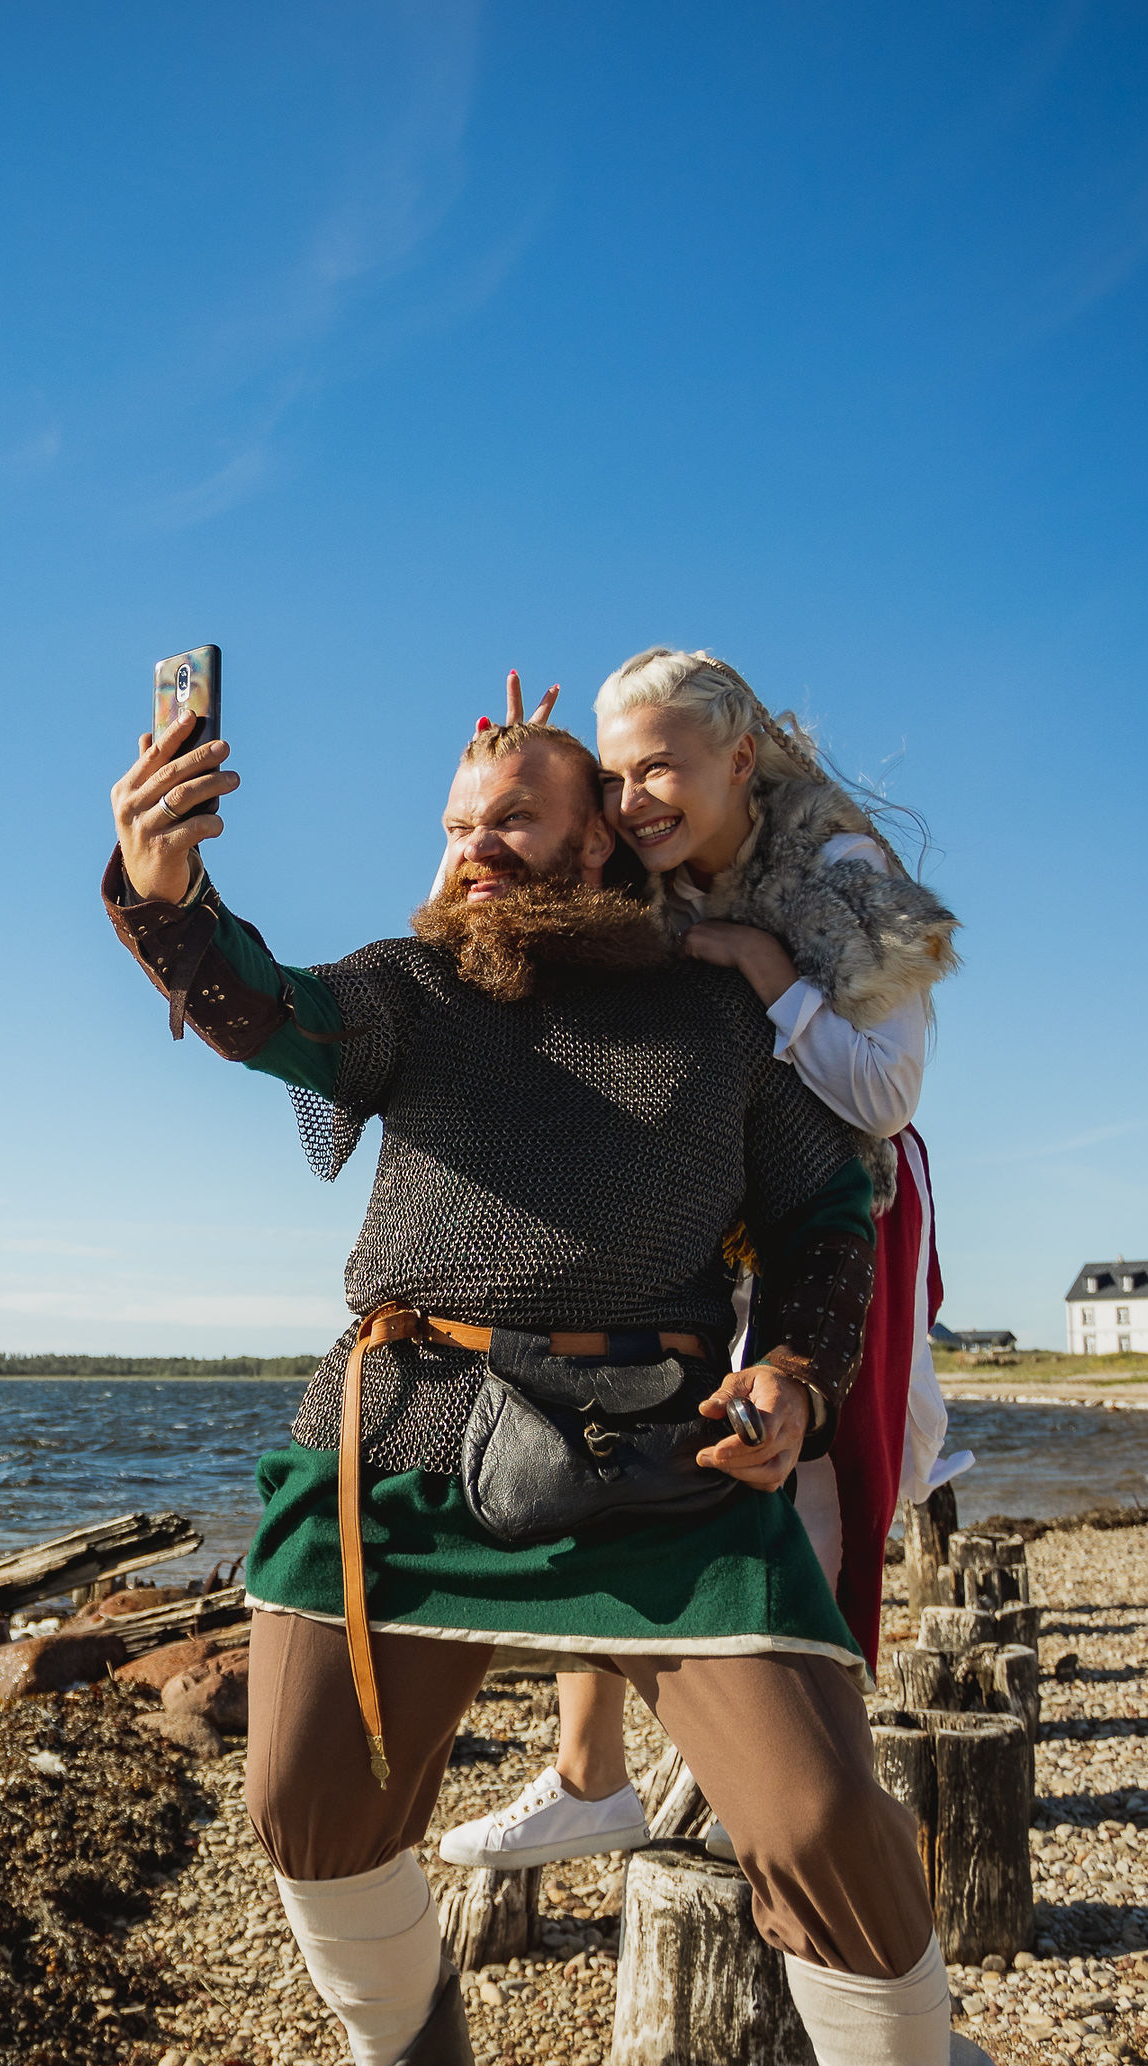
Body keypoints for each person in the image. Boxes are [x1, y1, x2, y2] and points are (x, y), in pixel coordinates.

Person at [100, 702, 1027, 2066]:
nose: (476, 844)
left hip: (666, 1457)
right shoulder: (415, 986)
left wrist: (801, 1375)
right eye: (461, 819)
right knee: (307, 1805)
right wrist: (164, 899)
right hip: (398, 1444)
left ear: (600, 838)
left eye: (514, 816)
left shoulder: (714, 1014)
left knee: (827, 1820)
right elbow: (271, 1015)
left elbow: (838, 1208)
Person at [436, 653, 961, 1875]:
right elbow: (477, 935)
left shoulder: (836, 872)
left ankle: (802, 1779)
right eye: (616, 776)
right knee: (607, 1442)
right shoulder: (635, 862)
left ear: (742, 757)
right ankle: (587, 1778)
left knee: (809, 1473)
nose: (634, 801)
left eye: (660, 765)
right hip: (686, 1198)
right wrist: (502, 788)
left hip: (836, 1209)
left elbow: (884, 1098)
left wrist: (765, 970)